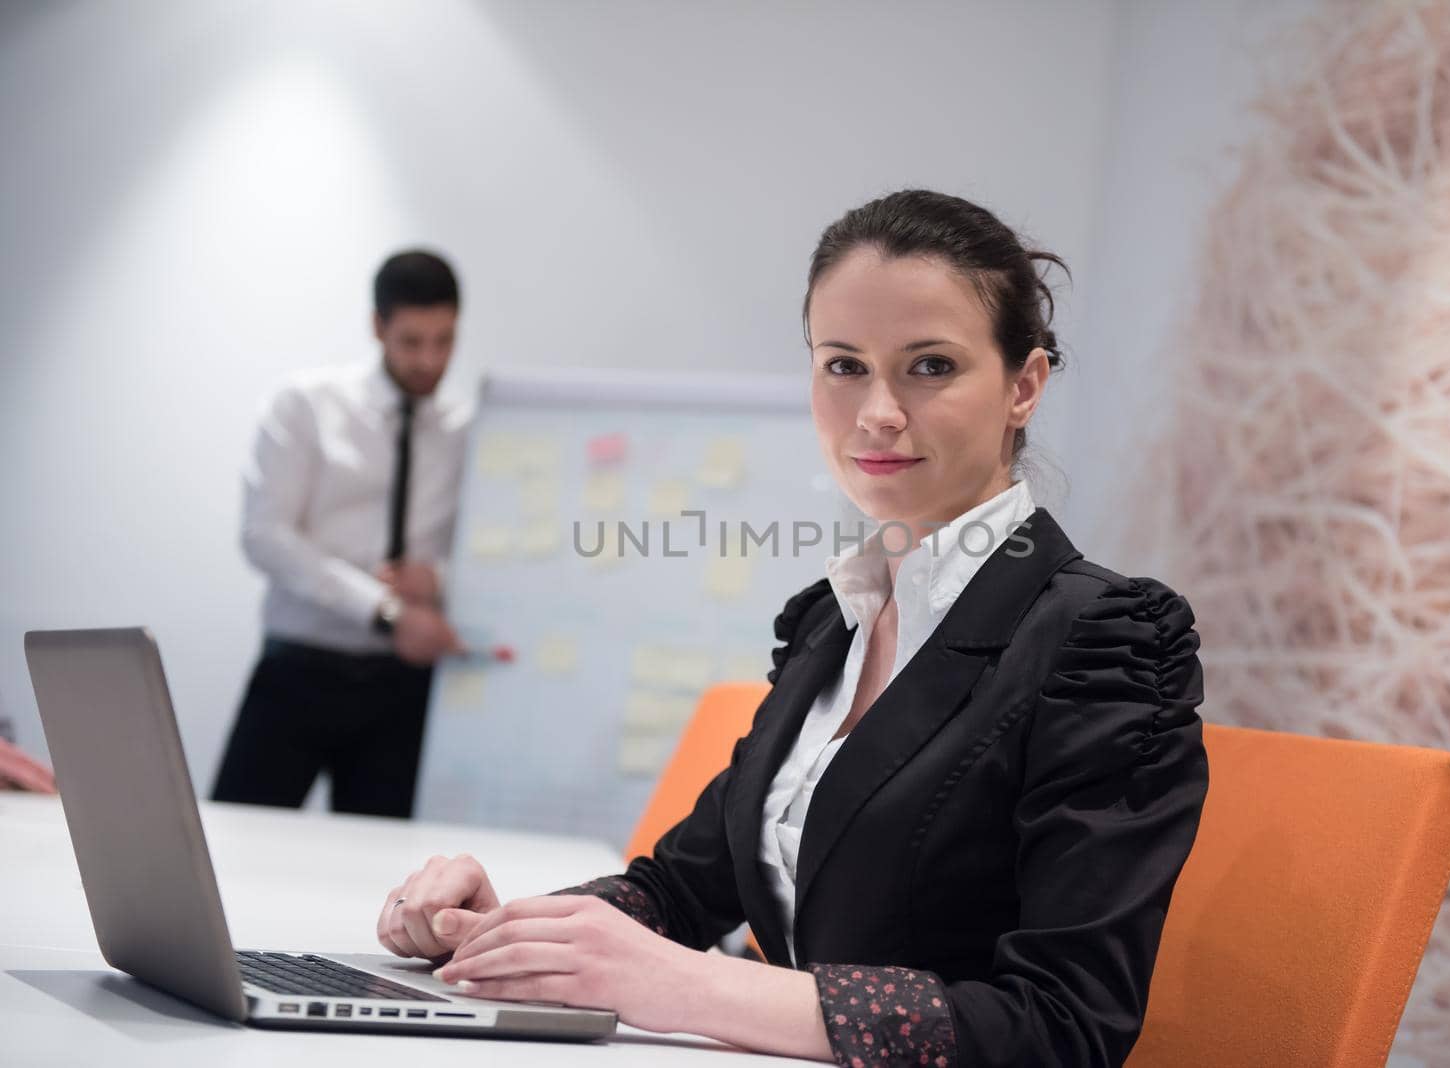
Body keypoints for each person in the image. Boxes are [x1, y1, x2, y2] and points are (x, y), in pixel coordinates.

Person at [374, 192, 1209, 1065]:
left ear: (1023, 386)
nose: (877, 411)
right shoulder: (832, 623)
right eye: (844, 365)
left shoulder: (1103, 638)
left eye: (930, 366)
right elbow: (681, 891)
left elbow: (1065, 1025)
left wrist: (688, 986)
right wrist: (499, 933)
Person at [211, 250, 470, 818]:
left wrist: (439, 581)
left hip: (402, 692)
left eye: (444, 340)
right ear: (378, 327)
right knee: (239, 842)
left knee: (385, 874)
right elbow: (265, 536)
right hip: (299, 670)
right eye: (412, 341)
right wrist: (385, 610)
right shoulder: (304, 406)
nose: (430, 360)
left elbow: (490, 552)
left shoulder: (465, 432)